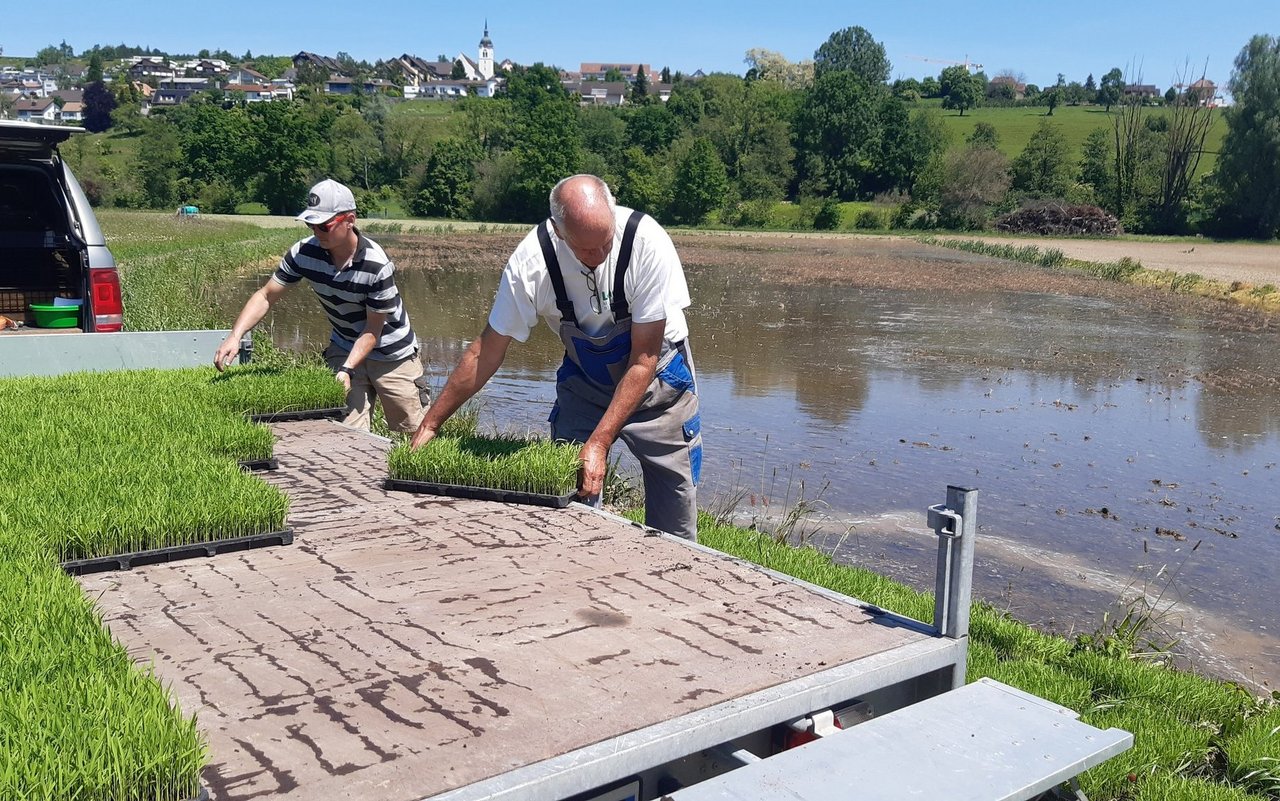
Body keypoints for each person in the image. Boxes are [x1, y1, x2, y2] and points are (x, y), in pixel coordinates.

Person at [410, 174, 702, 540]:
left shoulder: (648, 241)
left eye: (605, 243)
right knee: (570, 505)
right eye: (585, 250)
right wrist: (432, 423)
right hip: (586, 384)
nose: (598, 258)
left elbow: (643, 357)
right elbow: (487, 350)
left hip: (660, 383)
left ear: (612, 213)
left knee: (674, 519)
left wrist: (599, 442)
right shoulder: (532, 262)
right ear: (560, 233)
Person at [214, 178, 429, 433]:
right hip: (344, 344)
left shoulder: (376, 264)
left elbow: (373, 330)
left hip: (393, 353)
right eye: (310, 223)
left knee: (413, 431)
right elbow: (266, 295)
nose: (316, 232)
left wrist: (348, 368)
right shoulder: (303, 253)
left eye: (324, 225)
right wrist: (235, 336)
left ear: (350, 220)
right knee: (346, 432)